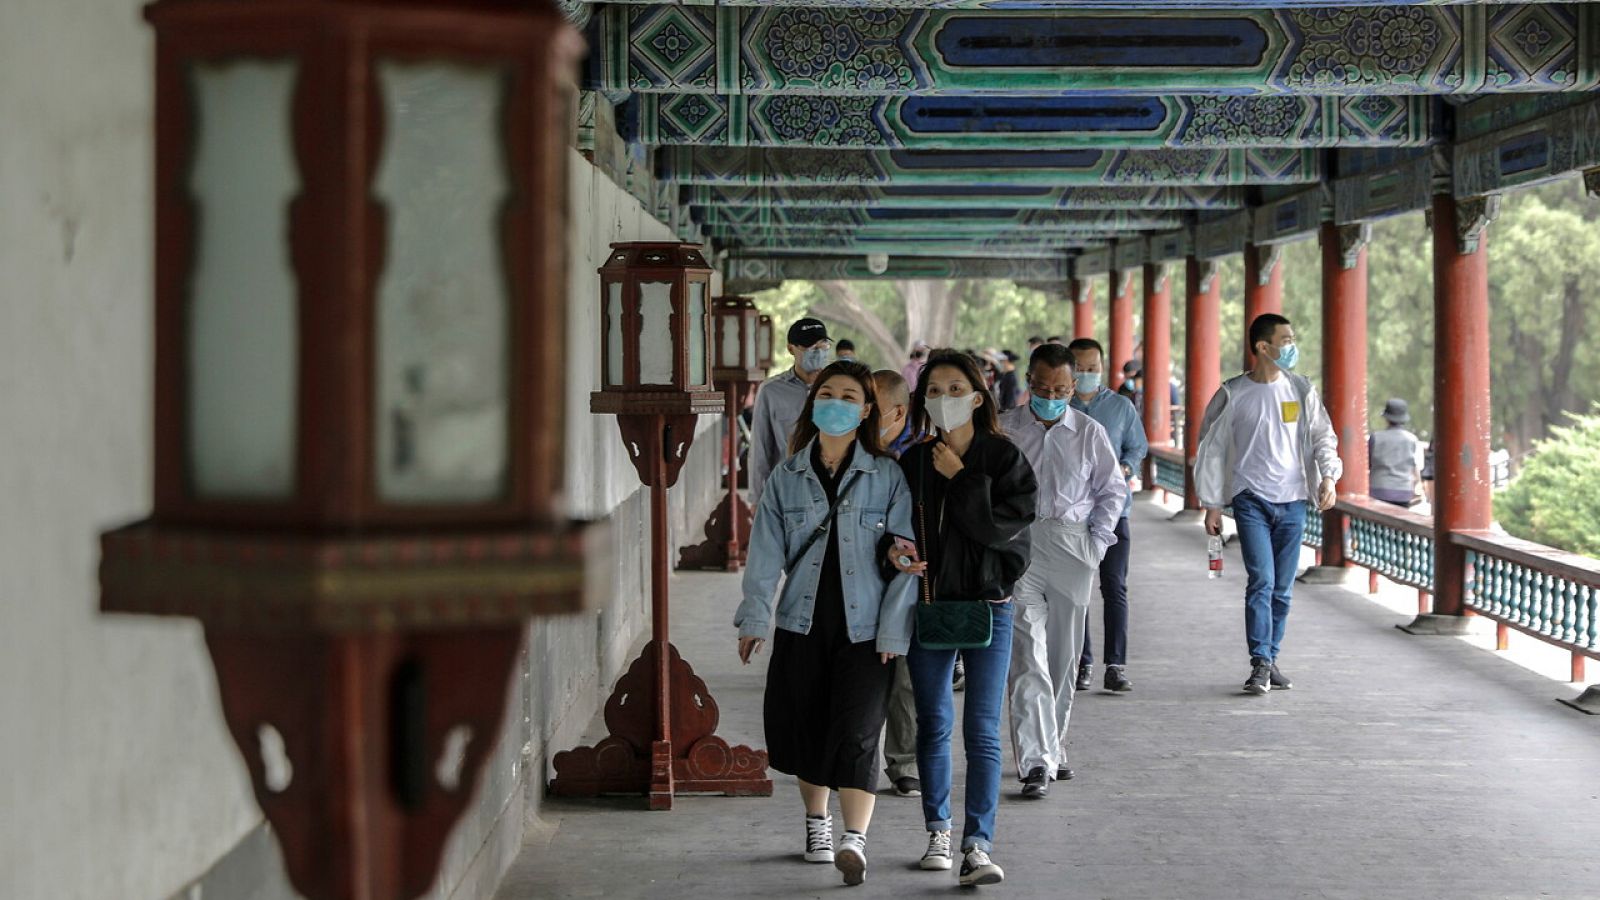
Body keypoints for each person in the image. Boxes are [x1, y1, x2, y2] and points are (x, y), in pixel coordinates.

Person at [735, 360, 917, 887]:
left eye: (848, 397)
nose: (835, 403)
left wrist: (894, 629)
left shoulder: (887, 476)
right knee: (808, 727)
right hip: (802, 622)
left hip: (867, 629)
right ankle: (818, 823)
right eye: (827, 394)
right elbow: (764, 555)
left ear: (866, 411)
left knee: (860, 731)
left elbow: (907, 559)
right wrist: (754, 619)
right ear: (813, 405)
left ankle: (854, 839)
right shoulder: (786, 477)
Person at [889, 350, 1036, 886]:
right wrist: (894, 551)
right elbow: (891, 526)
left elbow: (1004, 534)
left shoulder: (1004, 458)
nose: (944, 399)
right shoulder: (911, 461)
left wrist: (962, 476)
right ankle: (938, 831)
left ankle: (978, 844)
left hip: (989, 608)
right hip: (929, 606)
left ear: (978, 397)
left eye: (955, 390)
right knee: (933, 722)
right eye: (934, 390)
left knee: (982, 729)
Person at [999, 344, 1123, 799]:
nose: (1050, 397)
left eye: (1060, 390)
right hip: (1019, 544)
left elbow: (1112, 490)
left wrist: (1097, 544)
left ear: (1074, 388)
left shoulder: (1089, 433)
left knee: (1063, 657)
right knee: (1026, 655)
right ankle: (1036, 762)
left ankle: (1053, 745)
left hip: (1073, 544)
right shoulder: (1005, 429)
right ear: (1028, 382)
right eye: (1042, 388)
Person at [1194, 313, 1341, 695]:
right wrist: (1212, 503)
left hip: (1294, 500)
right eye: (1286, 339)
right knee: (1262, 580)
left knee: (1282, 589)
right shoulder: (1233, 393)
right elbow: (1211, 448)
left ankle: (1271, 658)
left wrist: (1329, 477)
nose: (1292, 346)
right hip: (1250, 498)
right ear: (1264, 346)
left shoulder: (1301, 390)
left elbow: (1323, 437)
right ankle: (1260, 661)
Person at [1065, 338, 1148, 694]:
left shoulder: (1120, 407)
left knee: (1114, 587)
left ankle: (1115, 665)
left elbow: (1137, 447)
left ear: (1103, 367)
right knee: (1076, 591)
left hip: (1114, 512)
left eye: (1092, 367)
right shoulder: (1059, 407)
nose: (1086, 373)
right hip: (1072, 514)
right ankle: (1082, 662)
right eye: (1079, 368)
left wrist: (1125, 468)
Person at [869, 369, 922, 799]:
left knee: (905, 677)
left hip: (908, 579)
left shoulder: (920, 456)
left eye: (874, 409)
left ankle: (905, 761)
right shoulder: (854, 454)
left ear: (898, 412)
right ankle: (855, 758)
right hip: (861, 579)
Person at [749, 318, 834, 507]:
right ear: (791, 349)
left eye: (823, 346)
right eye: (810, 347)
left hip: (832, 490)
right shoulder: (771, 391)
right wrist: (757, 499)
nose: (818, 352)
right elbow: (760, 449)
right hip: (788, 492)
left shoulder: (840, 389)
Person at [1369, 399, 1421, 508]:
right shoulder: (1412, 440)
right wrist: (1417, 485)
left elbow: (1368, 463)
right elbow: (1416, 468)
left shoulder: (1375, 437)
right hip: (1404, 492)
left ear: (1386, 418)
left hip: (1378, 490)